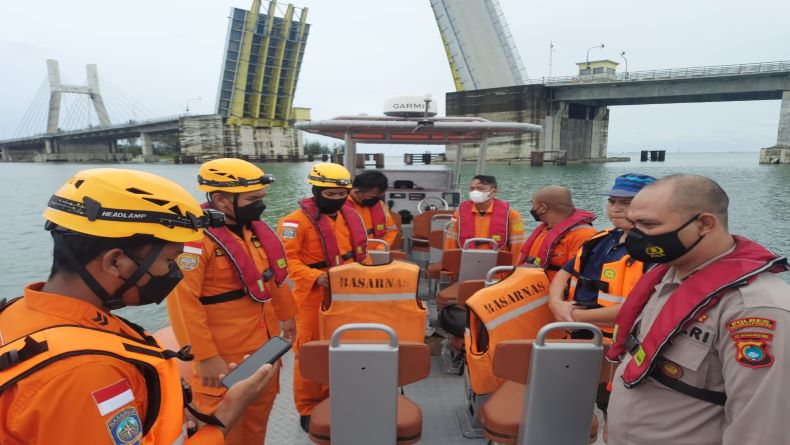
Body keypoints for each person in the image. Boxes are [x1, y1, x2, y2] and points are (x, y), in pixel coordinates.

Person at [0, 168, 276, 444]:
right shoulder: (89, 372)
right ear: (114, 262)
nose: (173, 273)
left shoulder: (15, 312)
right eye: (169, 262)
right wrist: (226, 416)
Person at [606, 174, 790, 445]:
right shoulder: (668, 276)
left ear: (704, 224)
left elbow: (760, 428)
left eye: (648, 224)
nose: (634, 235)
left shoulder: (754, 308)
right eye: (634, 223)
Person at [166, 158, 296, 444]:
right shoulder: (195, 239)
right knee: (222, 430)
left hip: (264, 347)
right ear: (221, 199)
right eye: (253, 198)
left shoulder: (254, 232)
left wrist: (287, 317)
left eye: (261, 198)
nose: (260, 204)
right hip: (224, 359)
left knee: (256, 425)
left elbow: (273, 277)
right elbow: (183, 302)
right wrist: (206, 357)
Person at [276, 163, 368, 432]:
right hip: (312, 296)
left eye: (342, 195)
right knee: (310, 352)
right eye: (331, 195)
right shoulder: (294, 223)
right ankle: (307, 406)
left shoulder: (350, 216)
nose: (338, 200)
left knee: (343, 347)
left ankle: (335, 396)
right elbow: (286, 260)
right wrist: (315, 276)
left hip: (348, 292)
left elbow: (360, 253)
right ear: (316, 190)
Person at [549, 173, 657, 336]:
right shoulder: (601, 239)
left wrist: (574, 315)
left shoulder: (656, 252)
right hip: (579, 332)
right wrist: (555, 303)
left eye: (626, 203)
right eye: (612, 202)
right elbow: (565, 272)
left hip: (616, 343)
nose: (616, 208)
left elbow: (645, 306)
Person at [519, 185, 597, 281]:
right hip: (531, 288)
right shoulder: (545, 229)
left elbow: (580, 275)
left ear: (543, 208)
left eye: (533, 203)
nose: (532, 208)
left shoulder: (583, 235)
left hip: (556, 293)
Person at [444, 175, 526, 265]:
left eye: (480, 188)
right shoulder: (459, 213)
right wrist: (450, 267)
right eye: (472, 189)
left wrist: (514, 271)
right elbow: (450, 242)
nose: (475, 192)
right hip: (467, 266)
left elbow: (518, 246)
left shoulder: (512, 215)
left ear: (493, 192)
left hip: (499, 270)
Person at [347, 170, 400, 248]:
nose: (376, 200)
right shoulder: (341, 207)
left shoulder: (379, 205)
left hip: (377, 254)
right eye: (373, 197)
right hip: (355, 255)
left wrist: (381, 249)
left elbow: (391, 230)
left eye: (379, 196)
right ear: (357, 191)